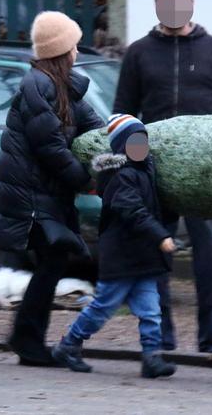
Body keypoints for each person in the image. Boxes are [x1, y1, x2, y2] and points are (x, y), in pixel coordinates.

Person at [113, 0, 212, 354]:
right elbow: (123, 112)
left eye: (178, 0)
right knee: (153, 255)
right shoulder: (138, 53)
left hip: (207, 173)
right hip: (155, 171)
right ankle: (161, 338)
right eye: (165, 0)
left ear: (191, 3)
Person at [0, 11, 104, 366]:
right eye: (74, 45)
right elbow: (50, 146)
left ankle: (27, 337)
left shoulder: (63, 87)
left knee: (53, 261)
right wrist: (85, 180)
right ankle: (27, 339)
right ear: (62, 50)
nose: (78, 51)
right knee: (54, 260)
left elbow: (94, 126)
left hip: (43, 195)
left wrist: (123, 140)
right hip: (30, 197)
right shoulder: (39, 86)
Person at [51, 114, 177, 379]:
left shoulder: (144, 170)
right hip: (121, 257)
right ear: (122, 146)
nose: (141, 146)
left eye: (143, 140)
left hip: (142, 257)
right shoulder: (121, 177)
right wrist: (160, 236)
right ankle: (68, 344)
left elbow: (153, 206)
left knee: (151, 310)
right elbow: (133, 210)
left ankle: (151, 357)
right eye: (134, 141)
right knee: (102, 308)